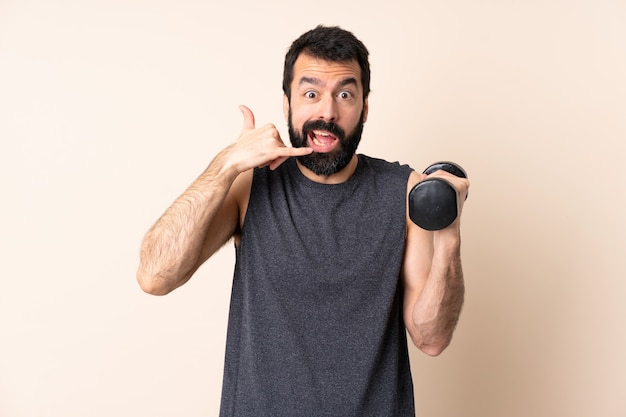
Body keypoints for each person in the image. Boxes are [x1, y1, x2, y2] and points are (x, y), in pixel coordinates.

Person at [137, 25, 469, 417]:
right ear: (287, 104)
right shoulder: (250, 186)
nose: (327, 112)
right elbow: (155, 276)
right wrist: (226, 164)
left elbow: (431, 338)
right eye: (311, 94)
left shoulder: (403, 192)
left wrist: (447, 234)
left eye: (345, 95)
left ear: (364, 108)